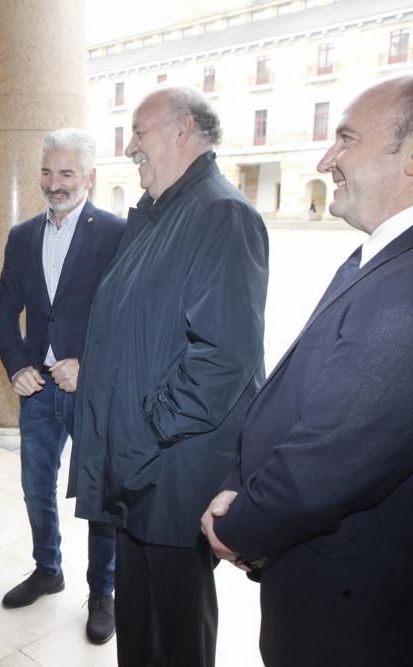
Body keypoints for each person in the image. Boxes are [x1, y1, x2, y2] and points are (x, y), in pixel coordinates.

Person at [203, 75, 413, 667]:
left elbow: (336, 451)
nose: (326, 160)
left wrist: (240, 525)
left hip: (350, 616)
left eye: (346, 139)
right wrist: (242, 476)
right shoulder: (385, 254)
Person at [65, 88, 269, 667]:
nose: (131, 146)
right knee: (139, 615)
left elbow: (223, 358)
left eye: (139, 131)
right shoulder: (160, 212)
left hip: (170, 466)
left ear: (183, 131)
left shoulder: (221, 214)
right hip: (137, 465)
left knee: (177, 626)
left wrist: (142, 429)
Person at [0, 129, 125, 643]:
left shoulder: (117, 231)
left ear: (89, 177)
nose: (54, 183)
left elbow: (127, 314)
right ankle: (48, 569)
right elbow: (5, 306)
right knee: (34, 487)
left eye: (66, 173)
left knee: (97, 496)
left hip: (92, 391)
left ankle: (102, 592)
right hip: (39, 390)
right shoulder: (22, 235)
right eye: (47, 172)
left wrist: (88, 364)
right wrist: (17, 363)